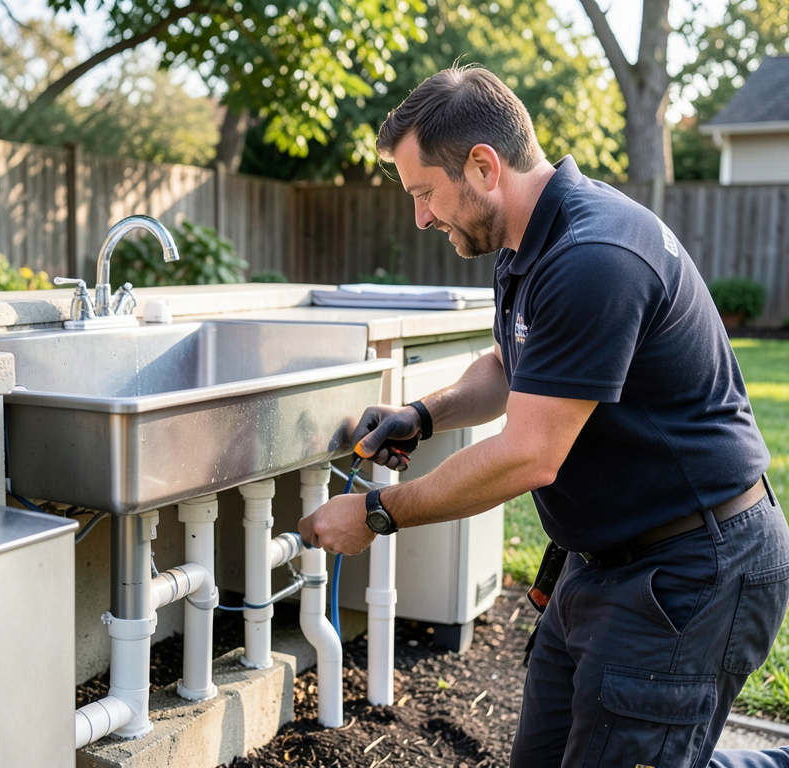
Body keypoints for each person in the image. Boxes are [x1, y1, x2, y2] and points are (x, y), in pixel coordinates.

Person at [298, 66, 789, 768]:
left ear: (483, 165)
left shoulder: (594, 256)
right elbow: (510, 366)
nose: (421, 217)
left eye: (423, 193)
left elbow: (530, 453)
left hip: (691, 571)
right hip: (604, 566)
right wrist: (422, 415)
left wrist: (378, 514)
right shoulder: (528, 243)